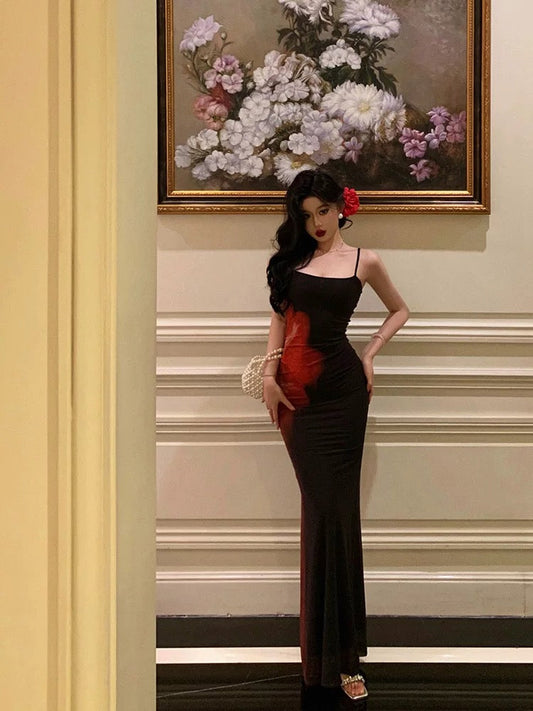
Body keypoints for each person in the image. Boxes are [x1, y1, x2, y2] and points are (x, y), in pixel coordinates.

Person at [263, 168, 409, 701]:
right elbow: (281, 321)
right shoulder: (291, 263)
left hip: (344, 395)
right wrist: (268, 374)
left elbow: (401, 309)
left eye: (323, 211)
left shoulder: (364, 261)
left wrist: (370, 353)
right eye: (306, 216)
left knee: (339, 516)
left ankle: (344, 660)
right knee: (320, 512)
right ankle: (323, 655)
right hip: (297, 398)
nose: (317, 223)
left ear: (341, 207)